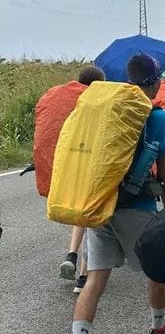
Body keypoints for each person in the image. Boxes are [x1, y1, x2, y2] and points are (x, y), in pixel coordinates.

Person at [57, 54, 165, 334]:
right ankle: (159, 330)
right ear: (154, 82)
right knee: (156, 268)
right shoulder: (157, 117)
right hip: (136, 207)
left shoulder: (107, 110)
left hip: (101, 203)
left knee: (95, 280)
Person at [59, 65, 106, 293]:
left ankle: (71, 253)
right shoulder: (99, 104)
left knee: (80, 213)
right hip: (93, 164)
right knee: (93, 220)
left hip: (73, 164)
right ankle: (83, 276)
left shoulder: (72, 103)